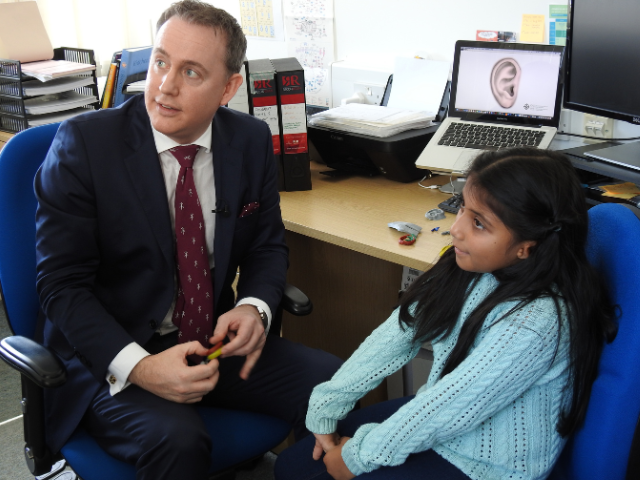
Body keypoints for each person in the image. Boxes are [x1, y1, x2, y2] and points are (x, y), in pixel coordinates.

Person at [34, 1, 341, 478]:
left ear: (228, 88)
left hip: (208, 342)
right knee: (177, 440)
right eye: (160, 63)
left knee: (333, 385)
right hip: (113, 356)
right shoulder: (85, 146)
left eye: (191, 72)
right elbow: (60, 286)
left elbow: (266, 245)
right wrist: (140, 367)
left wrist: (254, 306)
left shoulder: (250, 140)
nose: (165, 86)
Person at [274, 148, 617, 480]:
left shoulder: (537, 322)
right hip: (444, 425)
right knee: (292, 466)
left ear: (528, 246)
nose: (457, 228)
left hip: (485, 466)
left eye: (479, 223)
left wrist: (357, 457)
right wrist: (326, 405)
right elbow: (399, 333)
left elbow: (450, 407)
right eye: (464, 209)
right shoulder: (475, 267)